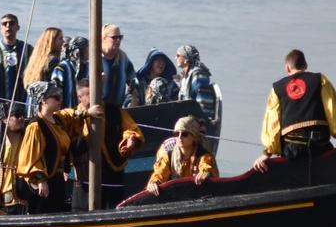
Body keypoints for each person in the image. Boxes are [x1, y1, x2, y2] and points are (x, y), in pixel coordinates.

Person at [253, 50, 336, 172]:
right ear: (305, 66)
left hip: (293, 151)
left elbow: (272, 124)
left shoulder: (276, 89)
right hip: (319, 146)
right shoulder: (319, 80)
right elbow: (334, 111)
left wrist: (266, 153)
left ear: (287, 68)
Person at [16, 81, 96, 214]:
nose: (60, 100)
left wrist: (87, 112)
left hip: (58, 179)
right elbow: (30, 157)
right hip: (45, 183)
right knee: (44, 214)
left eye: (61, 97)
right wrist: (40, 179)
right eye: (56, 97)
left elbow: (73, 115)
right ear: (43, 100)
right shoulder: (36, 126)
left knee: (58, 211)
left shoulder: (58, 119)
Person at [69, 79, 143, 209]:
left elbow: (131, 129)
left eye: (95, 92)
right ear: (80, 97)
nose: (94, 97)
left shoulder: (114, 111)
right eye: (88, 94)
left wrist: (130, 139)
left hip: (112, 175)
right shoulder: (73, 117)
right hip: (84, 178)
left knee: (114, 212)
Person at [146, 116, 219, 195]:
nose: (180, 137)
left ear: (194, 137)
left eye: (184, 134)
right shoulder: (168, 156)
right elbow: (160, 173)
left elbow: (206, 167)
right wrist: (153, 183)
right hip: (174, 195)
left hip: (197, 195)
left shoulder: (203, 155)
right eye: (177, 134)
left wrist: (205, 173)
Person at [0, 13, 33, 105]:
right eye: (4, 24)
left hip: (20, 102)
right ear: (1, 28)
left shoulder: (27, 49)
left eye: (11, 23)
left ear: (18, 27)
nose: (8, 26)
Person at [101, 24, 140, 107]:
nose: (118, 40)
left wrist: (132, 96)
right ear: (104, 38)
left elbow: (133, 80)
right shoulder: (94, 58)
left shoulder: (123, 58)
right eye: (114, 37)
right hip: (98, 108)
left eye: (120, 37)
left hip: (117, 108)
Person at [175, 44, 218, 121]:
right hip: (187, 118)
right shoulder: (185, 76)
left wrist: (201, 121)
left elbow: (204, 100)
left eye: (178, 55)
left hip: (196, 121)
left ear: (186, 58)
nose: (176, 58)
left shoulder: (198, 75)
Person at [21, 27, 64, 96]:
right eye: (60, 38)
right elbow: (55, 86)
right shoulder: (53, 60)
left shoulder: (36, 59)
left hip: (32, 98)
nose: (63, 42)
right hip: (46, 100)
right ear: (52, 41)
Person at [52, 35, 88, 110]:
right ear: (79, 50)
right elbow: (55, 91)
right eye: (87, 48)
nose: (89, 52)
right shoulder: (62, 68)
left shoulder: (86, 67)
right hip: (64, 112)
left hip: (80, 112)